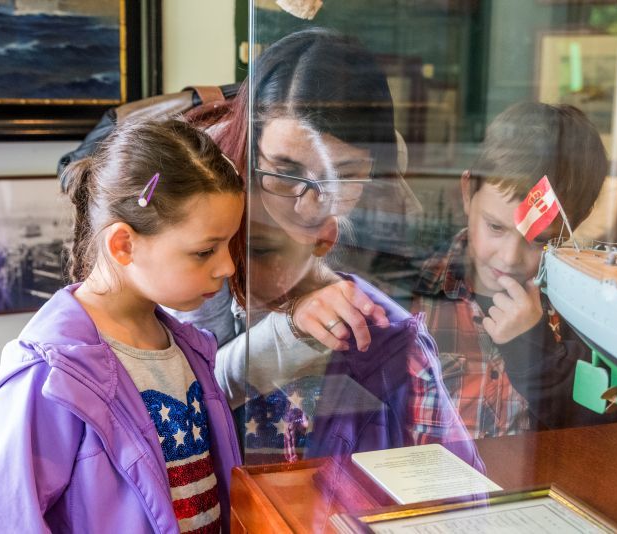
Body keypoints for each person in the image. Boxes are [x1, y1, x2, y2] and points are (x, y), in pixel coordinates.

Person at [184, 28, 482, 471]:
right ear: (250, 149)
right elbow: (182, 392)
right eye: (285, 171)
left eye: (344, 176)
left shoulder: (382, 212)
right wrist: (289, 327)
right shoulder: (200, 206)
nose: (312, 205)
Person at [0, 119, 245, 533]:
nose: (227, 266)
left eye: (229, 245)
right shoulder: (49, 375)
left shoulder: (188, 348)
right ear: (123, 244)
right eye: (204, 251)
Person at [413, 102, 617, 438]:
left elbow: (603, 431)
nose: (510, 258)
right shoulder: (410, 292)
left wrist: (534, 348)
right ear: (468, 193)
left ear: (572, 228)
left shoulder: (581, 316)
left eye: (539, 240)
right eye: (495, 227)